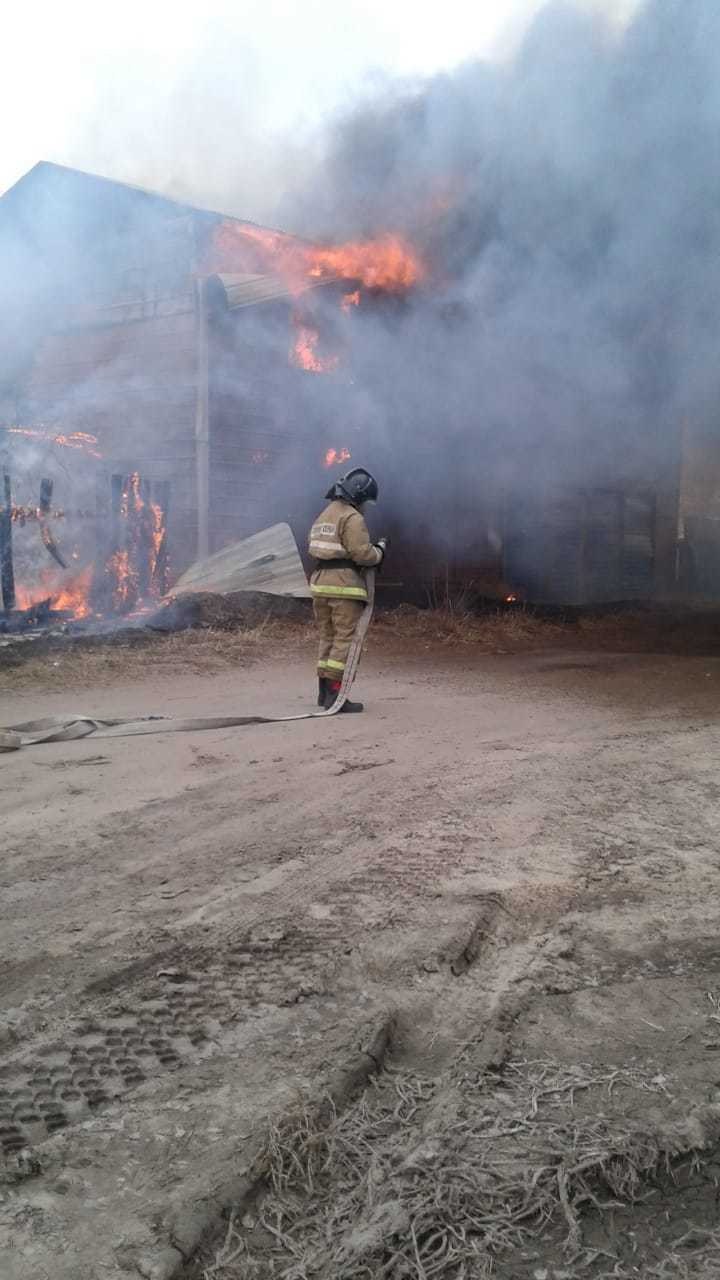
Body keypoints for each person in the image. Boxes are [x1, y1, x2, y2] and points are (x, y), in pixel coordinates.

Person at [308, 467, 387, 712]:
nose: (364, 507)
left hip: (320, 584)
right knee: (345, 639)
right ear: (359, 495)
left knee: (328, 636)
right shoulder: (352, 518)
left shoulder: (325, 514)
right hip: (343, 587)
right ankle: (336, 695)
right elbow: (362, 554)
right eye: (365, 501)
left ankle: (323, 692)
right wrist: (380, 551)